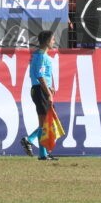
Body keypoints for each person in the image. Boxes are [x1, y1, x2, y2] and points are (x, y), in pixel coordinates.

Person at [20, 30, 59, 161]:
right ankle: (29, 139)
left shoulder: (38, 55)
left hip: (38, 89)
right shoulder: (42, 56)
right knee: (47, 122)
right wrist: (48, 92)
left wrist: (49, 87)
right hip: (40, 91)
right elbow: (40, 75)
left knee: (44, 122)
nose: (54, 42)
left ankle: (43, 154)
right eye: (53, 39)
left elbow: (38, 74)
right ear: (47, 41)